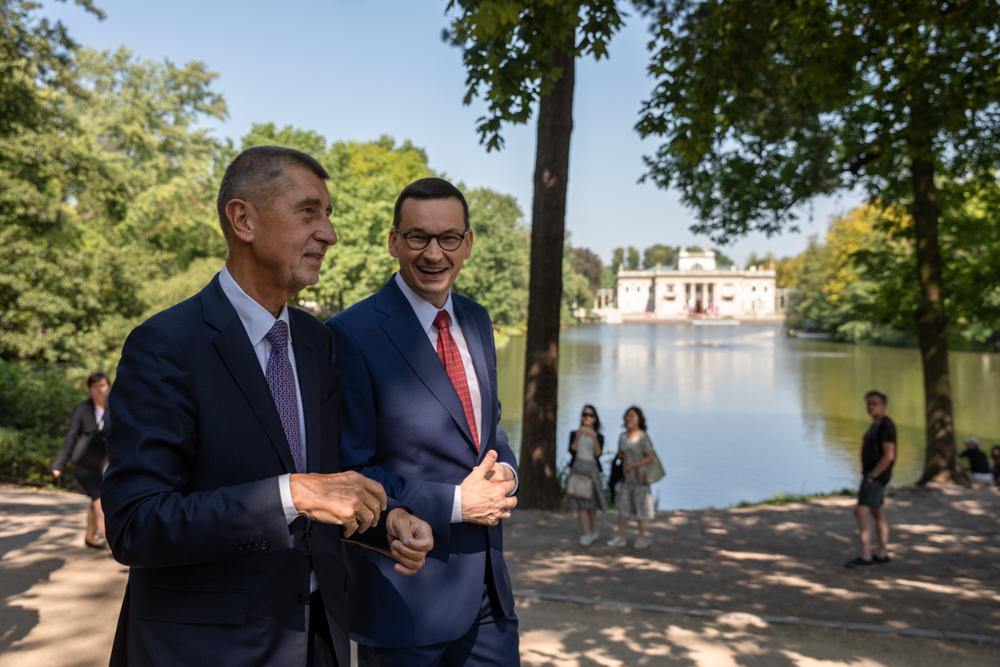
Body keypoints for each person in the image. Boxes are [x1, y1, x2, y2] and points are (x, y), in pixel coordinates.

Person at [101, 146, 434, 667]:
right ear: (243, 219)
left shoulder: (316, 342)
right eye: (309, 212)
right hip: (204, 652)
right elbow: (135, 525)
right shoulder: (165, 345)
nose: (329, 233)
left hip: (317, 642)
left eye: (328, 214)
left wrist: (383, 522)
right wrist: (292, 493)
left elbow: (324, 489)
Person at [327, 177, 520, 665]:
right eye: (418, 238)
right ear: (394, 241)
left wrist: (506, 476)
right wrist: (458, 503)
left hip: (489, 599)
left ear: (468, 243)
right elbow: (348, 472)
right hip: (405, 601)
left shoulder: (477, 319)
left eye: (448, 238)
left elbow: (489, 431)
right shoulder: (350, 334)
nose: (434, 254)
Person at [52, 370, 112, 549]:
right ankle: (111, 543)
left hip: (106, 463)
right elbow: (70, 437)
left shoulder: (115, 408)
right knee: (99, 501)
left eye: (103, 385)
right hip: (85, 464)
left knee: (96, 500)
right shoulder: (82, 409)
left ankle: (89, 537)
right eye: (96, 386)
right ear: (90, 389)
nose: (100, 390)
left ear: (108, 386)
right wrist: (59, 464)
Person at [846, 390, 896, 569]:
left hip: (875, 476)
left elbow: (889, 455)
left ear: (884, 406)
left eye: (874, 403)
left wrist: (873, 476)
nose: (870, 407)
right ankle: (882, 553)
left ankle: (866, 555)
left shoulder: (886, 426)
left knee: (861, 511)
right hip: (872, 475)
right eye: (868, 403)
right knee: (877, 512)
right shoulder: (876, 424)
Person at [607, 406, 656, 550]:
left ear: (639, 419)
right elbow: (621, 454)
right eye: (627, 416)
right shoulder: (622, 436)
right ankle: (620, 537)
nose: (629, 419)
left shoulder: (643, 437)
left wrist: (633, 465)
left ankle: (642, 538)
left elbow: (650, 456)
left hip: (640, 478)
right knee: (623, 507)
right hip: (625, 479)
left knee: (642, 509)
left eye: (632, 416)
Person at [566, 404, 607, 545]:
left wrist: (594, 437)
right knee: (581, 504)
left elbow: (598, 454)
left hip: (592, 471)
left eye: (590, 415)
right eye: (585, 414)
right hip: (577, 470)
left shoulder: (599, 436)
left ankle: (594, 530)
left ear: (595, 418)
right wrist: (579, 435)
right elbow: (572, 450)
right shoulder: (574, 433)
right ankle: (585, 532)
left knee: (592, 505)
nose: (587, 417)